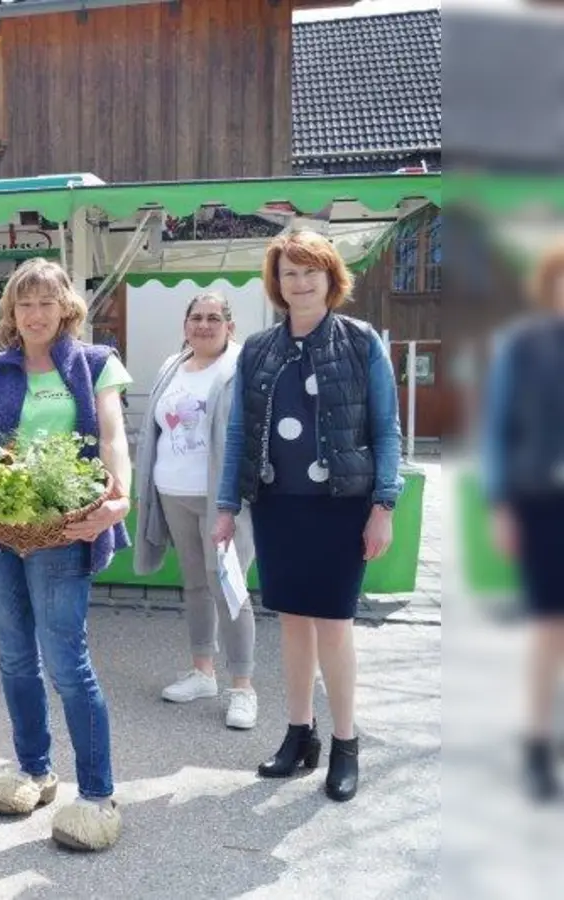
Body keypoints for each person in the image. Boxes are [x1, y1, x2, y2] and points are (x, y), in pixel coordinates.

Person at [0, 258, 133, 852]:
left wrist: (119, 497)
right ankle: (33, 770)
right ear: (11, 312)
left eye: (47, 302)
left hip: (64, 530)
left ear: (66, 307)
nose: (36, 313)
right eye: (25, 303)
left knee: (67, 664)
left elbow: (112, 436)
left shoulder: (96, 363)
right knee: (17, 658)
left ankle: (97, 795)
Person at [214, 230, 402, 803]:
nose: (300, 282)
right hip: (278, 505)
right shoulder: (258, 350)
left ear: (330, 277)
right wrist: (227, 506)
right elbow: (240, 434)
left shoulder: (361, 341)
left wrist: (384, 506)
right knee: (293, 623)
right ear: (277, 282)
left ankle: (346, 742)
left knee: (334, 626)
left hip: (342, 506)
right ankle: (300, 734)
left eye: (310, 271)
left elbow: (385, 429)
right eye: (289, 273)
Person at [133, 293, 258, 729]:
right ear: (185, 324)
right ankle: (203, 673)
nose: (204, 325)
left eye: (214, 318)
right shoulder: (173, 365)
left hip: (221, 500)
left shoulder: (241, 367)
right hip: (173, 493)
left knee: (229, 588)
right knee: (195, 586)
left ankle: (242, 687)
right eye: (196, 317)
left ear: (230, 326)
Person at [480, 238, 564, 802]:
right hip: (541, 502)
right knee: (549, 626)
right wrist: (500, 505)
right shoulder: (522, 346)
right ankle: (537, 743)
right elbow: (496, 430)